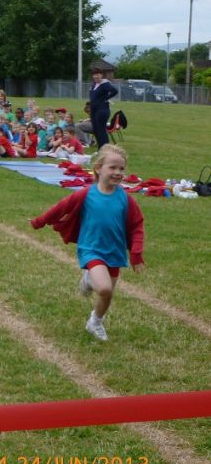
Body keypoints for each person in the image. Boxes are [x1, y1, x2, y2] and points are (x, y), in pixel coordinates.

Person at [30, 144, 145, 341]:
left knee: (107, 295)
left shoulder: (126, 199)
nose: (118, 172)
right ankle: (89, 278)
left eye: (121, 169)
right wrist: (39, 221)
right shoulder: (86, 194)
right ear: (98, 168)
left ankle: (95, 322)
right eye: (113, 168)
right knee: (104, 288)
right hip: (91, 248)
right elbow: (61, 208)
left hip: (115, 252)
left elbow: (137, 226)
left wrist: (135, 254)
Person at [88, 68, 119, 148]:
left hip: (102, 110)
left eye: (97, 74)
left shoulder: (105, 84)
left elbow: (114, 91)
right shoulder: (94, 85)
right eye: (94, 74)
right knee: (95, 130)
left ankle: (105, 148)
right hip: (94, 110)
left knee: (101, 130)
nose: (95, 76)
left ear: (101, 75)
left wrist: (105, 98)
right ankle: (100, 148)